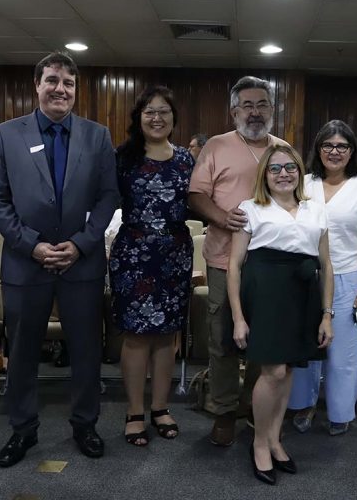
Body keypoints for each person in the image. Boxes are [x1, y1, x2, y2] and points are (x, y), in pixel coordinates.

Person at [0, 52, 118, 467]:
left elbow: (107, 197)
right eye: (53, 81)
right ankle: (22, 430)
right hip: (27, 263)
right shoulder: (5, 134)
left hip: (82, 262)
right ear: (37, 85)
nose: (61, 89)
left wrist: (80, 244)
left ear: (76, 90)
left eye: (69, 84)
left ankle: (85, 424)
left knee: (85, 350)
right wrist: (32, 245)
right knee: (23, 351)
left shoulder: (97, 136)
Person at [188, 75, 288, 447]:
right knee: (223, 339)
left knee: (265, 339)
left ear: (272, 110)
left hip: (270, 264)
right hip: (222, 258)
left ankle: (253, 407)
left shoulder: (283, 149)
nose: (255, 111)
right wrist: (218, 216)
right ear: (234, 111)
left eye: (262, 104)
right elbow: (196, 194)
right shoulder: (216, 146)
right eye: (247, 105)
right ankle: (224, 410)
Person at [228, 144, 334, 485]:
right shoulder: (251, 208)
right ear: (264, 175)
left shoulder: (315, 209)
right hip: (266, 292)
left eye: (290, 167)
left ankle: (275, 438)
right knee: (272, 370)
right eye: (275, 169)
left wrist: (326, 314)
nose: (283, 174)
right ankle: (259, 442)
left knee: (288, 369)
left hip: (303, 293)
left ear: (300, 172)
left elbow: (327, 265)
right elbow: (233, 265)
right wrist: (239, 317)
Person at [109, 86, 194, 446]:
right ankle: (133, 410)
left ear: (174, 119)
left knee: (166, 335)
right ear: (138, 117)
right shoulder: (122, 157)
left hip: (175, 254)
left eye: (164, 112)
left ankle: (160, 407)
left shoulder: (188, 160)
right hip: (133, 253)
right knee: (136, 335)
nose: (156, 118)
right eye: (149, 112)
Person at [288, 120, 357, 436]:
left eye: (342, 146)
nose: (334, 151)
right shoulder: (302, 184)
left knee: (342, 349)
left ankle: (340, 411)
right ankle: (303, 404)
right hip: (305, 276)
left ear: (352, 151)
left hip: (347, 276)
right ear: (318, 149)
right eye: (328, 145)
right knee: (305, 345)